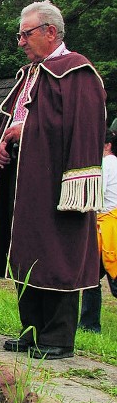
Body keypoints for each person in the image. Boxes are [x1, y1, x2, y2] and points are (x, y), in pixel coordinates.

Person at [0, 0, 106, 360]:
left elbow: (82, 129)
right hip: (25, 183)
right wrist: (5, 140)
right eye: (19, 34)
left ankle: (57, 337)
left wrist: (26, 130)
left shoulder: (76, 72)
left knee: (56, 254)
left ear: (50, 32)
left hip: (56, 183)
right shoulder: (31, 74)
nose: (20, 41)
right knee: (27, 252)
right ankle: (32, 329)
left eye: (26, 34)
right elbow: (14, 119)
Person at [78, 130, 117, 332]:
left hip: (107, 225)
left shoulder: (107, 164)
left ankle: (89, 324)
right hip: (109, 223)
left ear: (107, 145)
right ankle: (88, 323)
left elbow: (97, 194)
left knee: (93, 277)